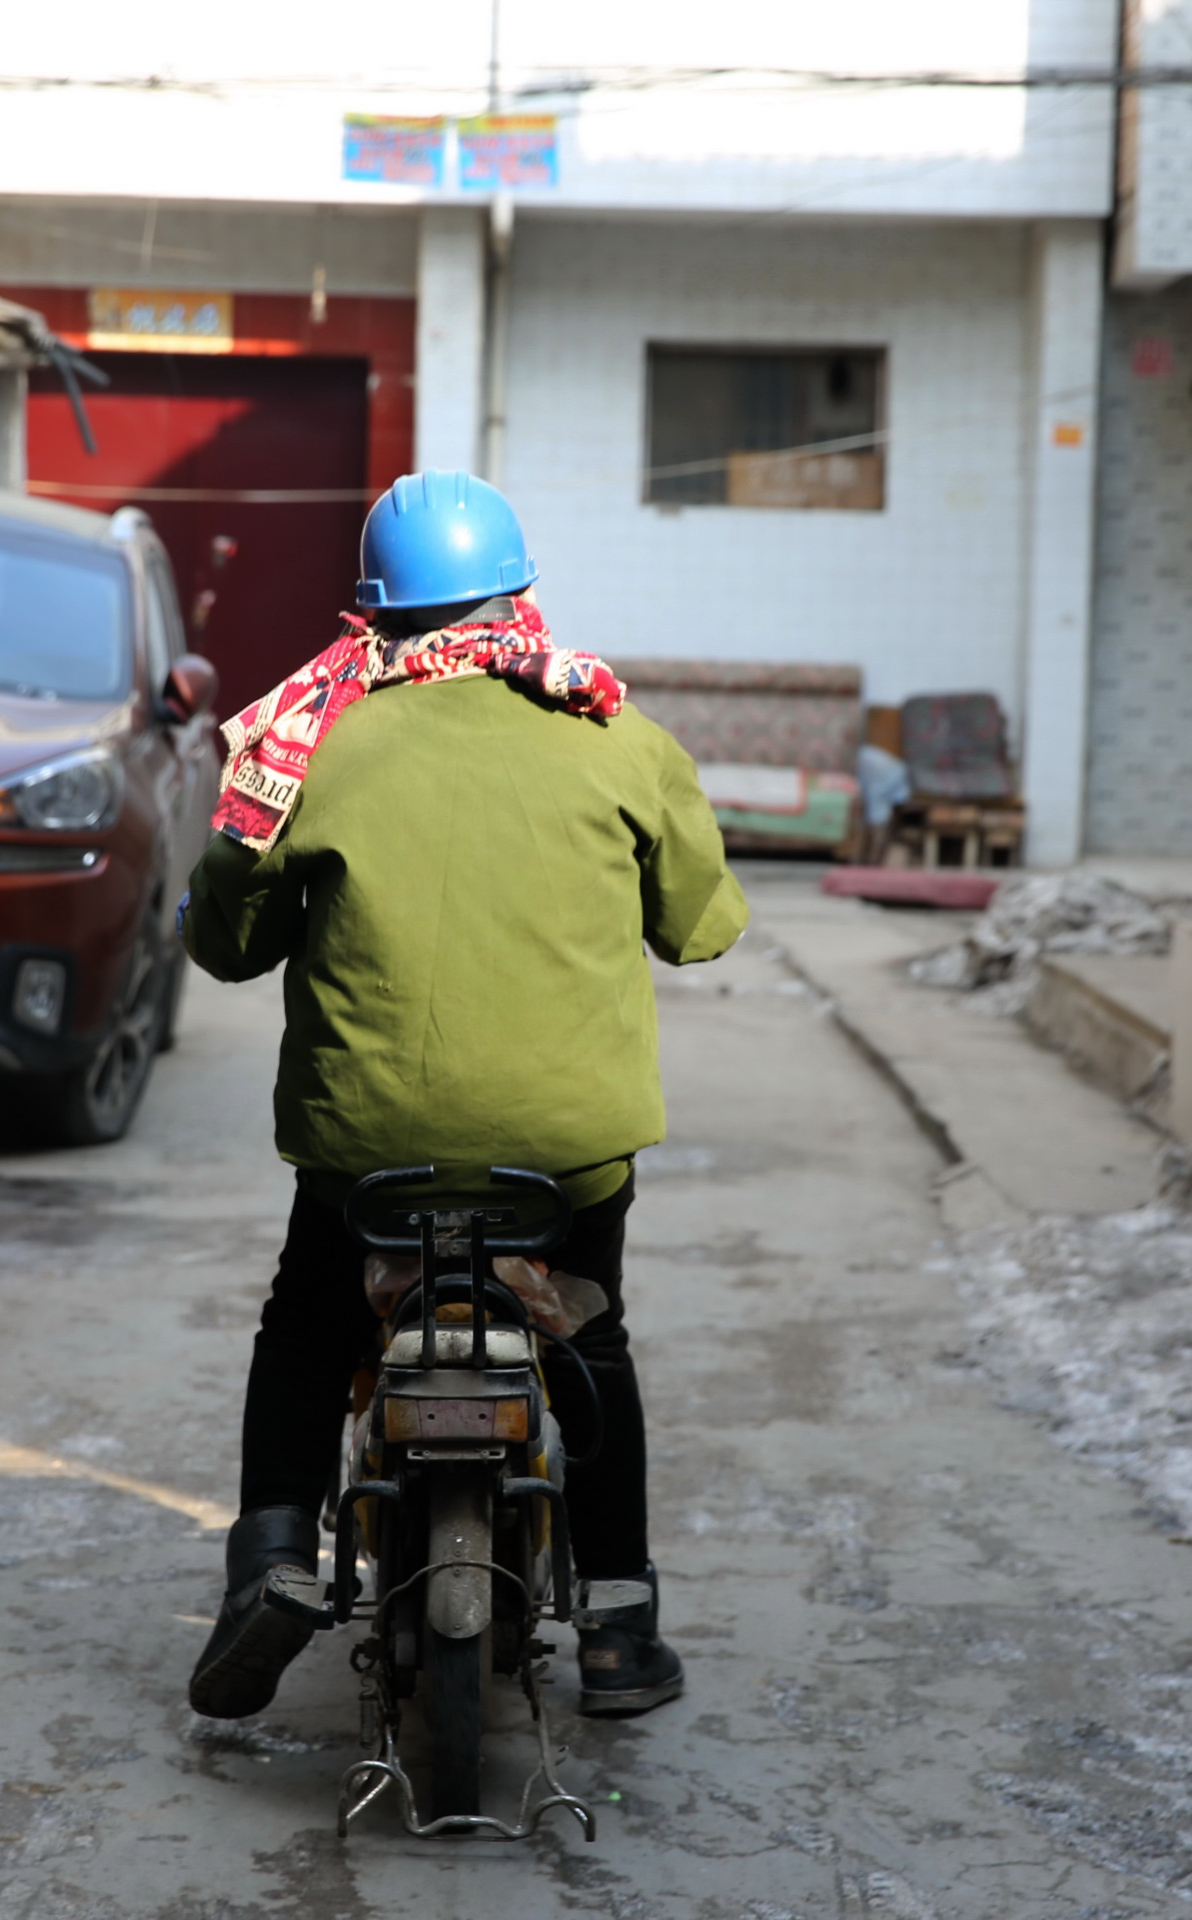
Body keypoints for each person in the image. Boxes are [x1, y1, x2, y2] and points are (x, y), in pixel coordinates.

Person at [179, 470, 748, 1723]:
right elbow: (703, 927)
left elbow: (224, 944)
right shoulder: (617, 735)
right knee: (590, 1337)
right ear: (517, 598)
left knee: (307, 1328)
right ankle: (619, 1626)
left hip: (365, 1165)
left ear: (375, 615)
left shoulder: (310, 744)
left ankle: (271, 1559)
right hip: (565, 1164)